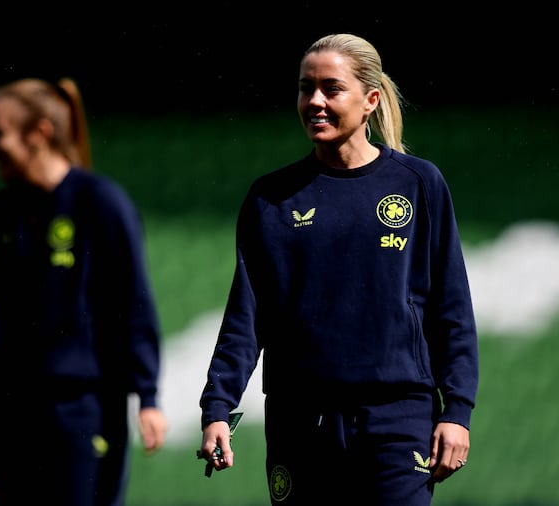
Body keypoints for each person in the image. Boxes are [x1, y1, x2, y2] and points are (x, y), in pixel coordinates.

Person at [198, 33, 479, 505]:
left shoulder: (418, 183)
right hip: (298, 423)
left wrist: (458, 412)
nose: (315, 102)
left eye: (331, 88)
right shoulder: (270, 198)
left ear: (370, 100)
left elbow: (450, 308)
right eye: (306, 88)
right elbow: (247, 316)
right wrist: (218, 408)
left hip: (396, 420)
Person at [0, 77, 168, 506]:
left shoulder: (102, 204)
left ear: (40, 133)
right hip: (9, 413)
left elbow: (133, 305)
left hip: (83, 410)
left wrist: (147, 396)